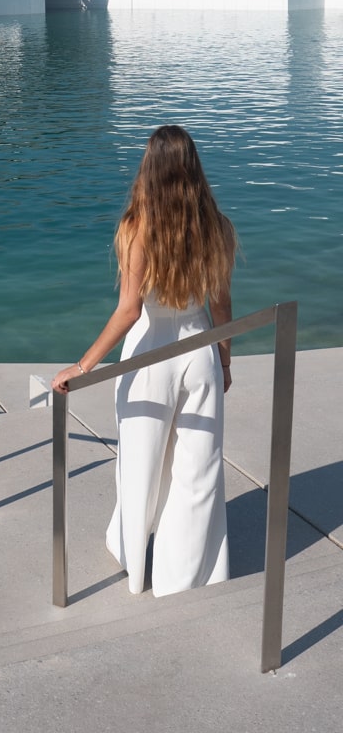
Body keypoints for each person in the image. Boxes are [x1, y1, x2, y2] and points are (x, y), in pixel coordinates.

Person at [52, 125, 236, 598]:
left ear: (149, 169)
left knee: (141, 465)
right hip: (199, 355)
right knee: (198, 473)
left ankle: (135, 564)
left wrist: (84, 364)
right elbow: (221, 304)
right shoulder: (216, 226)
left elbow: (130, 309)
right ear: (193, 167)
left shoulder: (137, 228)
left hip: (150, 356)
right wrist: (225, 358)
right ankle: (188, 576)